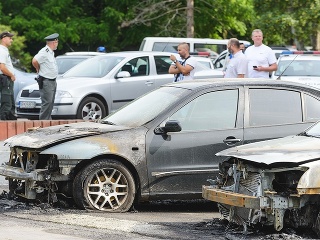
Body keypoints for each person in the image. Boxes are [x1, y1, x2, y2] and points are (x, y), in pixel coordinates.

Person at [32, 33, 59, 120]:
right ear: (54, 42)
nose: (57, 43)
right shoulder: (45, 52)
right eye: (57, 42)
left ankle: (47, 121)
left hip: (52, 81)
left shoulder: (51, 52)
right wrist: (38, 69)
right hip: (46, 81)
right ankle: (43, 123)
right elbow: (34, 60)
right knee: (47, 103)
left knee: (50, 103)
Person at [0, 31, 16, 120]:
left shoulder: (4, 50)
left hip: (7, 79)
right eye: (10, 38)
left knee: (10, 103)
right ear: (4, 38)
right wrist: (11, 75)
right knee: (7, 103)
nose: (11, 40)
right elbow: (2, 67)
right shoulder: (2, 50)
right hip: (6, 79)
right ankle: (3, 123)